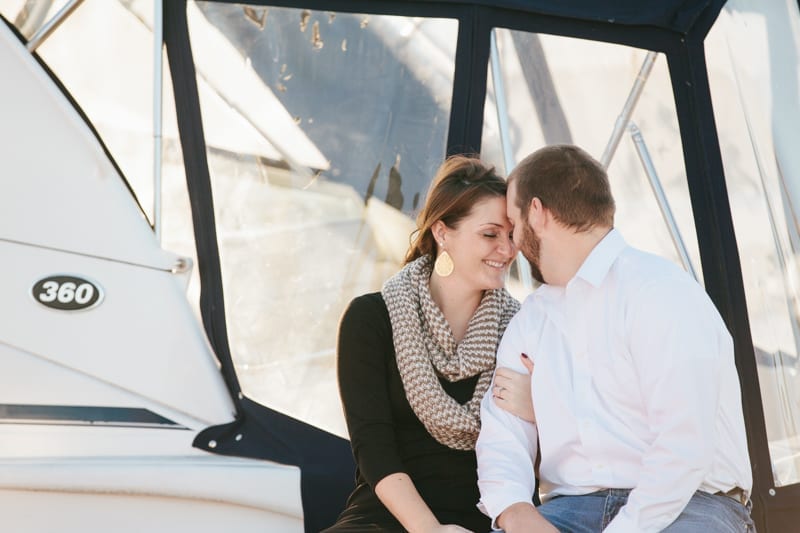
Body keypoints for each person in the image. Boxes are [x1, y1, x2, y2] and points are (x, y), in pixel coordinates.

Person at [476, 145, 754, 532]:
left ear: (537, 213)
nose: (513, 243)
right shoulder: (530, 321)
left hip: (686, 506)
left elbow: (683, 447)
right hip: (567, 512)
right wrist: (517, 513)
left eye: (513, 222)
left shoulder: (661, 293)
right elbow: (502, 436)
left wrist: (547, 395)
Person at [324, 155, 533, 533]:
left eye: (511, 236)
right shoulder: (371, 319)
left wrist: (539, 409)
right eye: (490, 234)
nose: (507, 250)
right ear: (442, 232)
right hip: (386, 519)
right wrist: (430, 530)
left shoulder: (524, 329)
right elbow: (373, 446)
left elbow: (550, 457)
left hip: (490, 519)